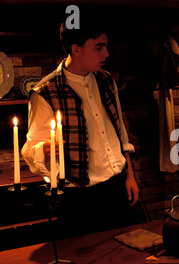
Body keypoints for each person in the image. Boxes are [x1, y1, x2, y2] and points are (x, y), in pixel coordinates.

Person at [22, 16, 140, 236]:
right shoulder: (45, 92)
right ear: (76, 49)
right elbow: (31, 150)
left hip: (117, 185)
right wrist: (44, 149)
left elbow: (120, 134)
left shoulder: (106, 81)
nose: (106, 54)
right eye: (99, 47)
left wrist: (130, 175)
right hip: (80, 197)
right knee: (87, 262)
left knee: (126, 258)